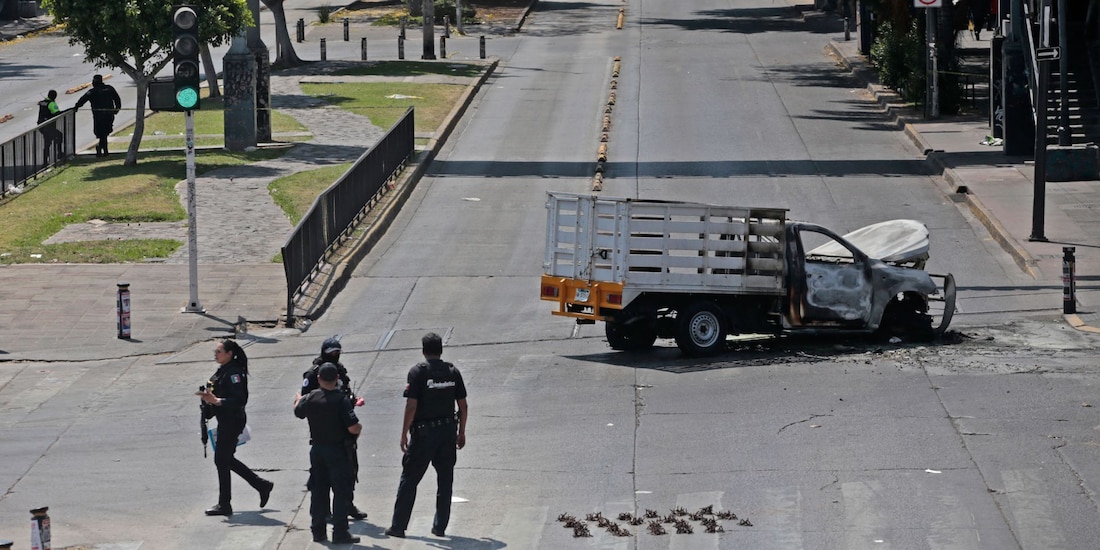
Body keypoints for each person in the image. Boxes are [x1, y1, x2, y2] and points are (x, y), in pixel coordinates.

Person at [385, 332, 468, 539]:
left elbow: (411, 405)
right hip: (447, 433)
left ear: (423, 351)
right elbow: (463, 405)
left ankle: (398, 526)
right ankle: (440, 527)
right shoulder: (452, 372)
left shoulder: (418, 373)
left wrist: (404, 433)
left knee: (409, 480)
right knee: (445, 480)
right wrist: (461, 432)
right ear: (441, 350)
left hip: (423, 435)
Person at [196, 339, 274, 517]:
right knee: (225, 459)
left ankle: (225, 504)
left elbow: (240, 400)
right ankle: (261, 485)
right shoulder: (223, 371)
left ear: (229, 353)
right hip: (225, 420)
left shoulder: (234, 374)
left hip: (233, 421)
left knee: (221, 460)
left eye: (219, 351)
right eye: (215, 352)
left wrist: (217, 401)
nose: (215, 355)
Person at [301, 336, 368, 520]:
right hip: (324, 427)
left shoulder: (339, 371)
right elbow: (304, 403)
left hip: (343, 424)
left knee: (350, 469)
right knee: (324, 476)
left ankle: (347, 504)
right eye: (331, 353)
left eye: (337, 352)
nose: (335, 355)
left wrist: (352, 401)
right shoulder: (314, 373)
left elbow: (345, 391)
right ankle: (326, 513)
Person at [294, 363, 362, 544]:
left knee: (318, 490)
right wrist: (359, 430)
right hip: (338, 451)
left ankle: (318, 531)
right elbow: (353, 427)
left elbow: (297, 411)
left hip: (317, 450)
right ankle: (340, 532)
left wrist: (298, 399)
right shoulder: (341, 400)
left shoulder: (310, 398)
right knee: (341, 492)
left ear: (318, 379)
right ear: (337, 379)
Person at [74, 74, 121, 157]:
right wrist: (117, 108)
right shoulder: (109, 88)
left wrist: (76, 106)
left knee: (102, 133)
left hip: (99, 116)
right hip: (108, 114)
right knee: (105, 133)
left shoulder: (93, 91)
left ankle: (101, 149)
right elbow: (117, 99)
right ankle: (104, 150)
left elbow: (83, 99)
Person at [37, 90, 63, 165]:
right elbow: (57, 113)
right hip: (49, 127)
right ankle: (59, 153)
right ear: (54, 96)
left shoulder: (42, 102)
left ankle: (45, 161)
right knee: (58, 136)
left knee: (48, 142)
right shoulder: (51, 104)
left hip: (41, 126)